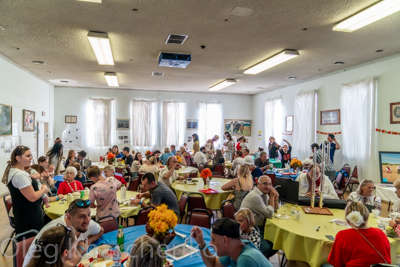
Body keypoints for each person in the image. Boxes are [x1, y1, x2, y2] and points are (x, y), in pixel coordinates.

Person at [23, 199, 104, 266]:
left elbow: (101, 230)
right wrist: (81, 249)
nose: (87, 220)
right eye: (82, 216)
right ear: (68, 217)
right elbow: (68, 264)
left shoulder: (84, 224)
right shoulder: (58, 233)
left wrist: (87, 242)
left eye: (89, 215)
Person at [1, 146, 48, 240]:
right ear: (18, 158)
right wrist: (44, 188)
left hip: (26, 213)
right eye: (28, 156)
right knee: (31, 245)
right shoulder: (19, 176)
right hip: (29, 216)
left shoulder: (17, 171)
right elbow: (33, 197)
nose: (31, 158)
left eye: (31, 155)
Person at [327, 202, 391, 266]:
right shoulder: (381, 233)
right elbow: (388, 259)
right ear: (367, 216)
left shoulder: (343, 235)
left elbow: (337, 263)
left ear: (348, 220)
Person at [191, 218, 272, 267]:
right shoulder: (235, 248)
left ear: (225, 240)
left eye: (213, 240)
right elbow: (214, 264)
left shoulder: (246, 259)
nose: (211, 244)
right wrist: (201, 243)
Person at [240, 175, 279, 258]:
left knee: (277, 243)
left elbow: (275, 209)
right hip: (249, 228)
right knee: (268, 247)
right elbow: (270, 214)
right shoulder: (255, 196)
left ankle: (260, 259)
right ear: (258, 184)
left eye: (270, 184)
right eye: (265, 184)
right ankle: (254, 259)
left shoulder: (264, 194)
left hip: (259, 226)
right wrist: (272, 197)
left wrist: (275, 199)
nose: (268, 186)